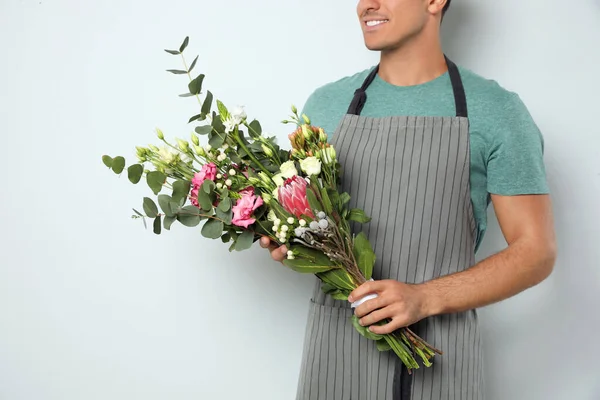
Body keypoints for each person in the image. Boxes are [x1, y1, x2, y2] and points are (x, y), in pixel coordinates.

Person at [260, 0, 557, 398]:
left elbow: (536, 251)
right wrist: (288, 239)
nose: (367, 5)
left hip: (438, 351)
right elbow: (315, 231)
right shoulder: (325, 107)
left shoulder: (498, 112)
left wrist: (424, 298)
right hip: (335, 349)